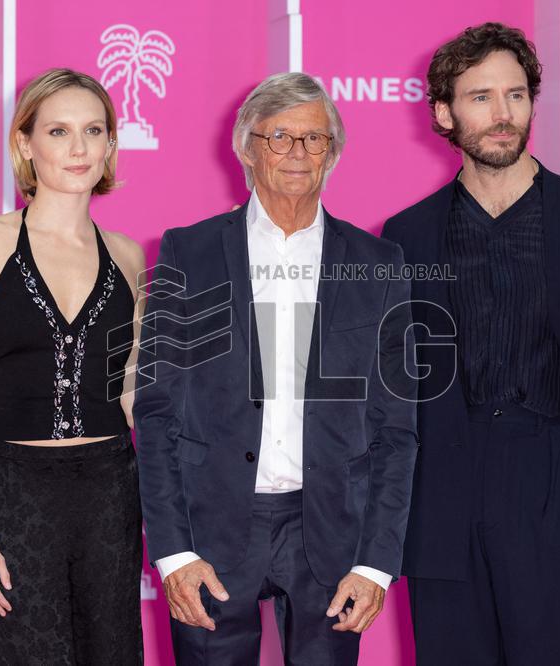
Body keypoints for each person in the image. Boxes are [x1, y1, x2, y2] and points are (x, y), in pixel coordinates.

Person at [382, 23, 560, 666]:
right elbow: (391, 387)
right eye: (480, 97)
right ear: (444, 112)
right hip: (447, 493)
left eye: (516, 95)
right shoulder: (406, 237)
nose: (502, 114)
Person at [133, 72, 418, 665]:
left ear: (332, 154)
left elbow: (397, 430)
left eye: (315, 140)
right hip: (210, 533)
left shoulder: (380, 264)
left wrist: (376, 564)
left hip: (332, 535)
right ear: (247, 147)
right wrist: (173, 554)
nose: (298, 154)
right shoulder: (190, 251)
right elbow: (156, 410)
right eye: (280, 137)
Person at [0, 68, 145, 665]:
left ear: (111, 145)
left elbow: (134, 396)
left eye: (93, 131)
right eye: (58, 131)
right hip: (10, 494)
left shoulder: (129, 258)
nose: (78, 149)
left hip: (108, 493)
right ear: (25, 143)